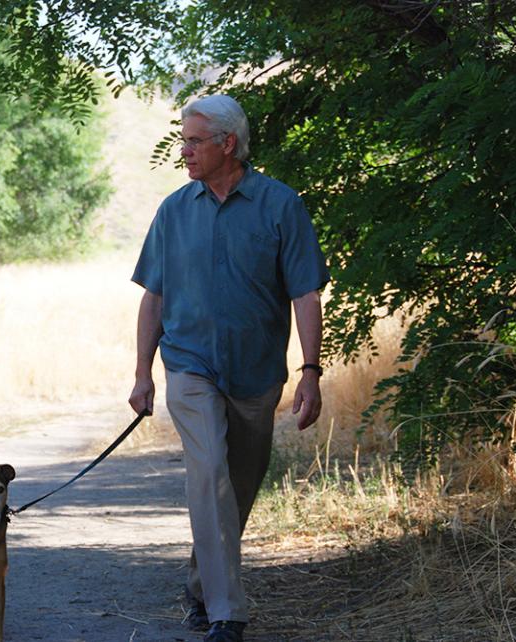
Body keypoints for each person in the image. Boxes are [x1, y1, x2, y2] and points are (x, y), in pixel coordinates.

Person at [128, 95, 330, 642]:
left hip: (258, 373)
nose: (184, 150)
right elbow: (153, 298)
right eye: (183, 139)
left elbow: (306, 294)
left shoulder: (280, 205)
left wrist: (310, 370)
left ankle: (201, 583)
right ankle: (226, 611)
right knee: (210, 469)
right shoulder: (174, 210)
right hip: (190, 365)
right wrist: (144, 373)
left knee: (239, 483)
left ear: (227, 144)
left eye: (194, 141)